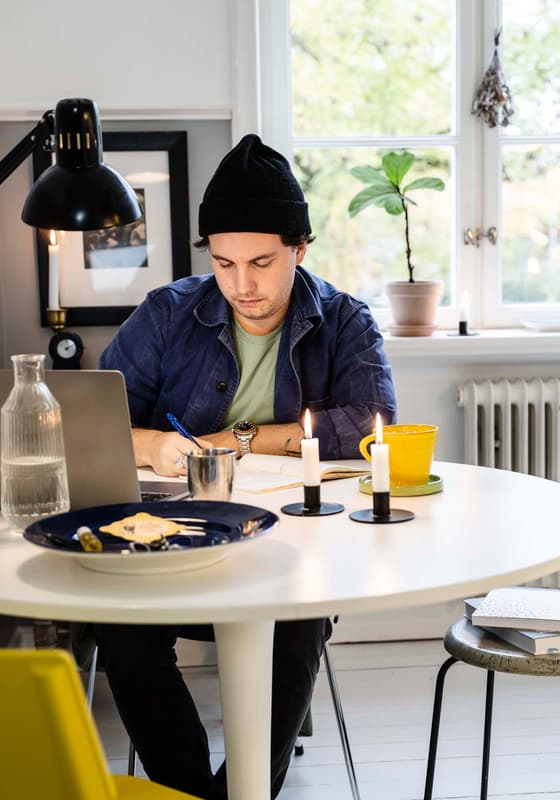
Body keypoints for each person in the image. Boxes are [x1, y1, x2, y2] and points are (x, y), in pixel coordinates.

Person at [96, 133, 396, 799]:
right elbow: (94, 413)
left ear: (300, 248)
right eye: (225, 263)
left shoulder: (346, 320)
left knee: (300, 620)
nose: (242, 285)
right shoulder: (168, 313)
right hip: (175, 546)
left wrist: (242, 437)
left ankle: (243, 790)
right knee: (117, 626)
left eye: (262, 261)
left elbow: (373, 428)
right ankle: (184, 790)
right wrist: (153, 448)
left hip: (296, 550)